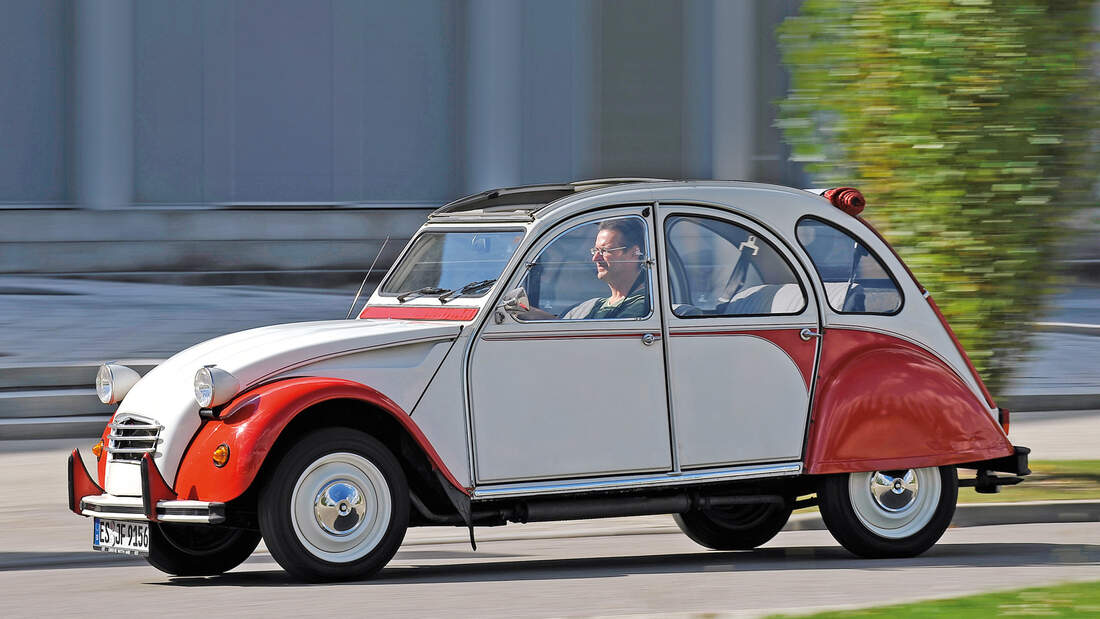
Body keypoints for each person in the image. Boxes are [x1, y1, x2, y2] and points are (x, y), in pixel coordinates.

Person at [560, 218, 649, 319]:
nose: (595, 258)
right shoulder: (595, 306)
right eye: (595, 251)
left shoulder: (641, 307)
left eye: (604, 250)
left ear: (634, 253)